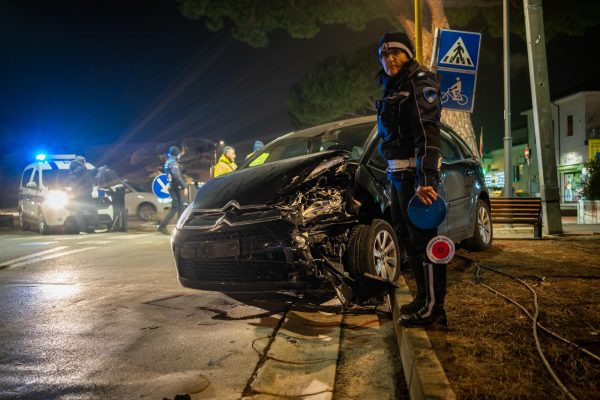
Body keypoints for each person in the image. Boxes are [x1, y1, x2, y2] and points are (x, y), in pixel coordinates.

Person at [375, 32, 446, 327]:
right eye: (384, 53)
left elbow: (427, 133)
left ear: (408, 54)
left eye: (396, 52)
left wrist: (426, 179)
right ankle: (422, 298)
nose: (390, 58)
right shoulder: (393, 87)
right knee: (408, 240)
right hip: (398, 176)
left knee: (424, 241)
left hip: (415, 178)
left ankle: (435, 310)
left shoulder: (419, 82)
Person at [158, 146, 188, 234]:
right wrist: (184, 186)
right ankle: (162, 226)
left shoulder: (169, 162)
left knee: (180, 207)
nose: (180, 155)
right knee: (175, 208)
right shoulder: (172, 163)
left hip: (174, 187)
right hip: (175, 188)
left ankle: (180, 227)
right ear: (176, 154)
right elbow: (177, 176)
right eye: (179, 154)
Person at [68, 156, 97, 234]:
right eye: (84, 161)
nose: (85, 162)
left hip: (77, 194)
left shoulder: (72, 170)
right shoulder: (81, 168)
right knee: (93, 209)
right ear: (82, 161)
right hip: (85, 193)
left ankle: (82, 229)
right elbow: (86, 180)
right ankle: (95, 226)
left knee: (79, 212)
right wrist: (89, 189)